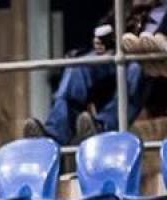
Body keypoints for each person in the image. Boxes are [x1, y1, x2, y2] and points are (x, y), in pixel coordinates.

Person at [25, 4, 166, 144]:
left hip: (152, 67)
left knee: (136, 69)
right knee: (78, 66)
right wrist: (101, 42)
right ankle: (54, 134)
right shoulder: (126, 7)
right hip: (116, 56)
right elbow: (106, 29)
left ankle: (102, 127)